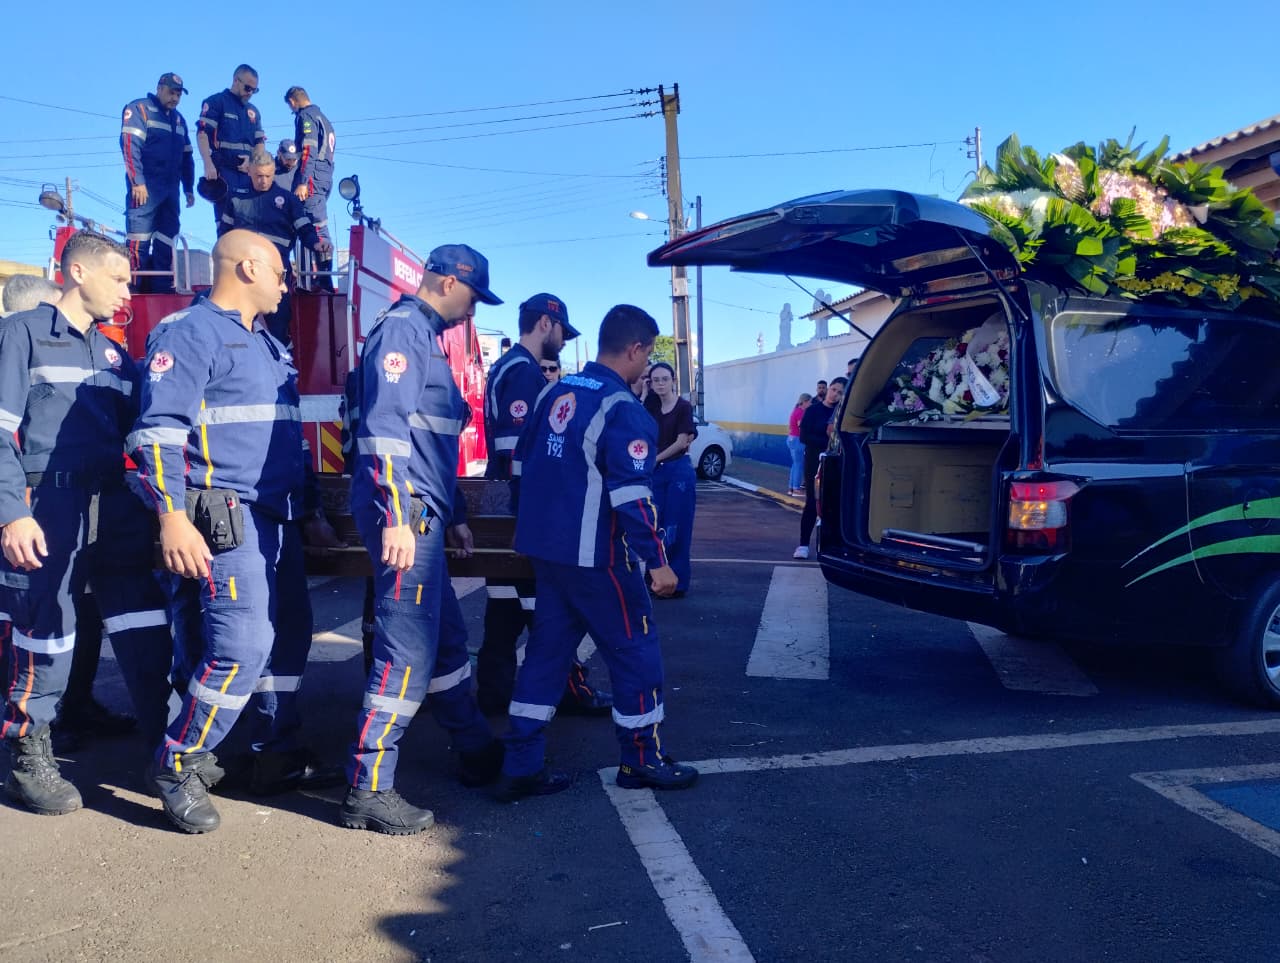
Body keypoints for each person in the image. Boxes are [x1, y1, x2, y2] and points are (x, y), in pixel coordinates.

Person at [131, 229, 342, 834]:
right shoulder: (189, 333)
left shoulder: (266, 344)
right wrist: (172, 514)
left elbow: (285, 436)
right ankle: (179, 762)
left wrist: (312, 514)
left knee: (286, 641)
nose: (286, 283)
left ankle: (274, 753)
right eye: (279, 272)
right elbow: (159, 433)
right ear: (249, 267)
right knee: (239, 647)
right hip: (226, 518)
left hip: (278, 519)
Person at [0, 231, 174, 816]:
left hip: (113, 508)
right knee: (46, 631)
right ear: (78, 273)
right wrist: (13, 514)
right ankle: (28, 758)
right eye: (120, 279)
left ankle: (170, 752)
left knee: (144, 622)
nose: (127, 292)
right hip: (49, 507)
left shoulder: (111, 352)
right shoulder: (21, 335)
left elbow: (143, 429)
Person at [495, 304, 698, 802]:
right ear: (635, 350)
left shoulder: (555, 392)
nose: (648, 367)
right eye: (648, 354)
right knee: (635, 651)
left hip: (548, 554)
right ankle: (642, 759)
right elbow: (632, 496)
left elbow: (523, 462)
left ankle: (520, 763)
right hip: (598, 559)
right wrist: (659, 563)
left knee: (545, 657)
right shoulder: (623, 410)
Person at [342, 243, 506, 835]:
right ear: (445, 283)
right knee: (406, 650)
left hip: (426, 511)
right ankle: (369, 786)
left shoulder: (426, 339)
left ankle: (475, 749)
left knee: (445, 643)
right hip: (406, 513)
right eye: (472, 296)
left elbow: (431, 444)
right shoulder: (404, 332)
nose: (473, 310)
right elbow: (385, 433)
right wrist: (396, 516)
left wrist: (455, 510)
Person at [478, 294, 610, 719]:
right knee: (547, 612)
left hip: (502, 509)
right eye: (562, 332)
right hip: (522, 513)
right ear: (545, 324)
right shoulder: (523, 374)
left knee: (503, 610)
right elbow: (522, 456)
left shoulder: (507, 367)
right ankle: (569, 692)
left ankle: (494, 694)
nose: (564, 342)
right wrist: (537, 519)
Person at [218, 147, 330, 344]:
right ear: (249, 171)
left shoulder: (288, 200)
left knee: (278, 323)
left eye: (268, 176)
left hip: (277, 270)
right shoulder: (235, 197)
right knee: (235, 324)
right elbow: (224, 235)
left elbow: (305, 229)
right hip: (241, 270)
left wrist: (317, 244)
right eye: (259, 176)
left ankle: (280, 361)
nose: (264, 181)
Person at [120, 73, 195, 294]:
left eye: (179, 94)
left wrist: (188, 188)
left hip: (170, 193)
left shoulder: (179, 119)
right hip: (146, 189)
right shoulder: (139, 109)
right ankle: (133, 289)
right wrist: (137, 182)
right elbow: (129, 146)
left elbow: (187, 156)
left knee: (167, 242)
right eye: (172, 92)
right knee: (138, 242)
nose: (175, 98)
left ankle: (163, 290)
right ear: (159, 88)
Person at [644, 362, 697, 598]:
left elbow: (682, 441)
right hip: (657, 473)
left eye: (665, 379)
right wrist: (645, 394)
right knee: (655, 525)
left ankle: (677, 581)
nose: (661, 384)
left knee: (677, 526)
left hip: (678, 471)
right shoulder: (651, 406)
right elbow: (640, 427)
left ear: (673, 380)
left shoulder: (683, 407)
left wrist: (655, 458)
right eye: (656, 380)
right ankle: (656, 577)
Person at [196, 65, 265, 222]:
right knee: (226, 224)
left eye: (255, 90)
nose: (250, 93)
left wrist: (253, 162)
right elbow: (202, 134)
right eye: (248, 88)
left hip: (247, 175)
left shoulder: (254, 112)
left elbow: (259, 143)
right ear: (236, 80)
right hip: (224, 173)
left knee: (250, 226)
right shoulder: (216, 102)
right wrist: (208, 164)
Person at [284, 87, 336, 292]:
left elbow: (308, 150)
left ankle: (323, 278)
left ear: (292, 101)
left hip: (313, 176)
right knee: (315, 222)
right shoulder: (323, 117)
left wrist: (303, 181)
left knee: (315, 225)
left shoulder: (306, 116)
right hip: (325, 176)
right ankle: (319, 276)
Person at [794, 377, 847, 559]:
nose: (835, 394)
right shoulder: (813, 411)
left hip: (835, 463)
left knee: (832, 504)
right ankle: (803, 545)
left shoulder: (842, 414)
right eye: (833, 389)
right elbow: (804, 437)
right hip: (813, 462)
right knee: (811, 502)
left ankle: (830, 546)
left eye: (840, 392)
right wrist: (827, 443)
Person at [787, 393, 811, 496]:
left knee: (795, 464)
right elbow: (801, 428)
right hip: (798, 440)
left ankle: (791, 488)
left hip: (792, 439)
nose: (810, 404)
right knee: (798, 465)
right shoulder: (801, 413)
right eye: (810, 402)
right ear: (804, 402)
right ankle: (796, 489)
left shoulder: (795, 411)